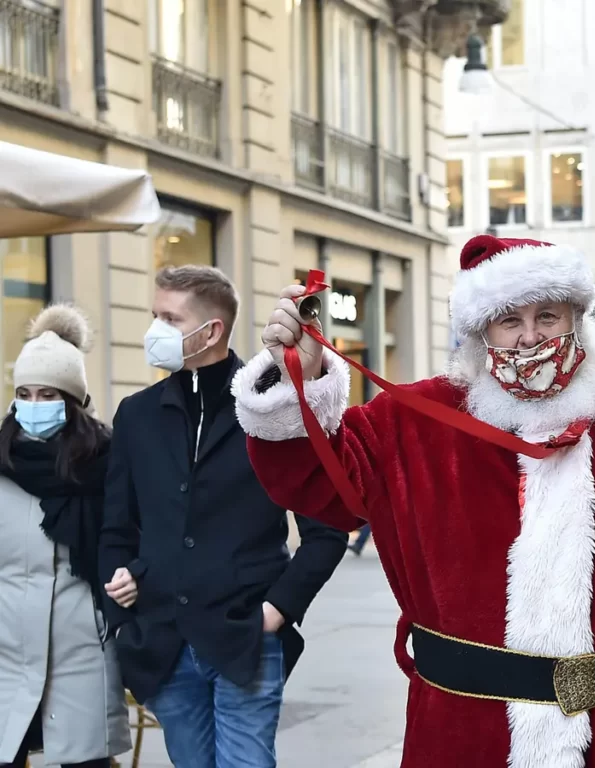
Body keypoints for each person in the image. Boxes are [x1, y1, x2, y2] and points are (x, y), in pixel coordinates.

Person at [233, 235, 595, 767]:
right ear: (481, 333)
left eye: (547, 316)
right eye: (510, 320)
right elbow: (316, 484)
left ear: (578, 320)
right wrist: (298, 380)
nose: (530, 338)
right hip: (465, 737)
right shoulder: (415, 422)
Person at [99, 266, 348, 767]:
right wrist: (120, 587)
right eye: (155, 315)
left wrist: (275, 612)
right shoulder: (136, 414)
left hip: (245, 641)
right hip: (162, 643)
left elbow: (327, 528)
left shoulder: (268, 408)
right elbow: (116, 528)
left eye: (170, 318)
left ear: (211, 330)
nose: (154, 329)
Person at [0, 305, 131, 768]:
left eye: (48, 394)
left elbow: (130, 538)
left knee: (85, 761)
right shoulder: (2, 461)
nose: (34, 404)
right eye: (25, 394)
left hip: (82, 651)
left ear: (72, 400)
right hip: (5, 649)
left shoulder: (107, 462)